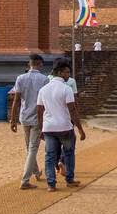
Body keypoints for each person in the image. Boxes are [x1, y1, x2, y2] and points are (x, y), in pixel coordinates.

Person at [37, 60, 85, 193]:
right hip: (64, 126)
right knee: (69, 153)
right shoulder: (66, 89)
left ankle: (51, 183)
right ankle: (69, 179)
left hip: (49, 128)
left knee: (50, 155)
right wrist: (80, 128)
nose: (68, 75)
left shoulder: (43, 90)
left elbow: (39, 111)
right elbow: (73, 110)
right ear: (59, 72)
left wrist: (41, 128)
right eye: (66, 72)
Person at [7, 53, 50, 190]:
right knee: (32, 149)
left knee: (29, 148)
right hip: (38, 117)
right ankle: (25, 180)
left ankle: (36, 172)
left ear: (29, 64)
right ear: (40, 64)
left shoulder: (21, 78)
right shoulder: (44, 79)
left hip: (24, 116)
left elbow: (16, 100)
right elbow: (46, 102)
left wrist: (12, 119)